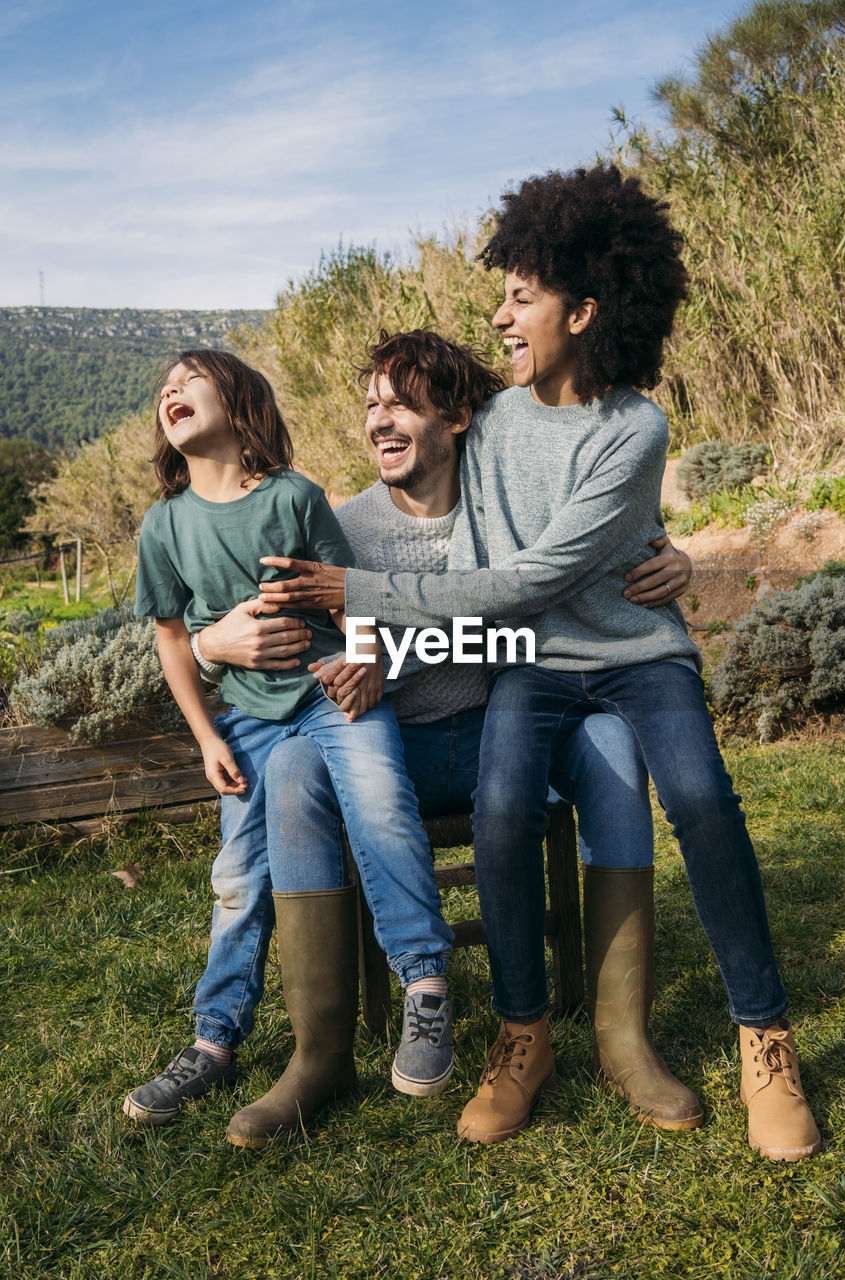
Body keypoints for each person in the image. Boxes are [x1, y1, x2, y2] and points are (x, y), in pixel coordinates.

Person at [266, 168, 821, 1162]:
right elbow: (438, 506)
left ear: (586, 308)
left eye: (520, 297)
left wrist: (363, 599)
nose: (502, 314)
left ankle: (763, 1037)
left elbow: (531, 573)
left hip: (637, 653)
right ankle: (521, 1035)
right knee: (503, 798)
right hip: (530, 660)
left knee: (699, 794)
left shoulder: (635, 427)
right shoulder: (493, 421)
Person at [197, 328, 701, 1147]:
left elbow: (574, 576)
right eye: (370, 405)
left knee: (612, 744)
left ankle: (623, 1039)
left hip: (522, 730)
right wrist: (209, 644)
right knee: (292, 764)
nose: (378, 421)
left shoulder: (508, 502)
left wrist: (676, 559)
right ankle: (317, 1054)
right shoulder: (343, 526)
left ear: (459, 416)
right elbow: (295, 640)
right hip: (401, 751)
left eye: (400, 403)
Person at [124, 348, 456, 1148]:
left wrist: (365, 660)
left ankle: (425, 983)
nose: (170, 393)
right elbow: (174, 640)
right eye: (163, 389)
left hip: (330, 697)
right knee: (236, 873)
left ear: (239, 404)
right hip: (242, 722)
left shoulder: (295, 497)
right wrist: (205, 736)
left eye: (187, 382)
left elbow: (355, 600)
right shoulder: (163, 524)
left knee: (381, 801)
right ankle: (214, 1037)